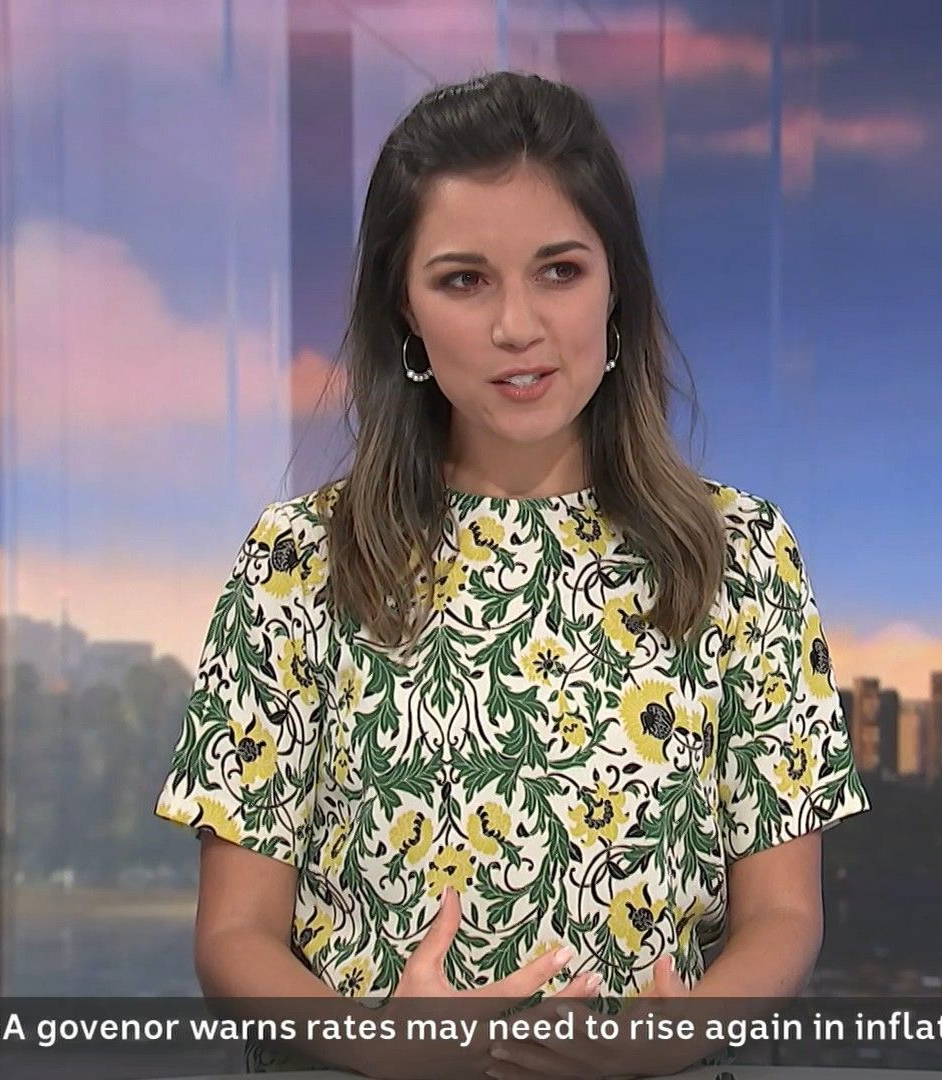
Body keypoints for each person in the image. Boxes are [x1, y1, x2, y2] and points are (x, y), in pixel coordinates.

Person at [154, 70, 870, 1078]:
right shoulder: (301, 560)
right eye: (464, 281)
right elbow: (233, 937)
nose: (517, 327)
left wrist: (669, 1037)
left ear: (616, 286)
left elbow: (785, 914)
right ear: (404, 310)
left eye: (559, 271)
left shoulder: (739, 553)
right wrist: (387, 1049)